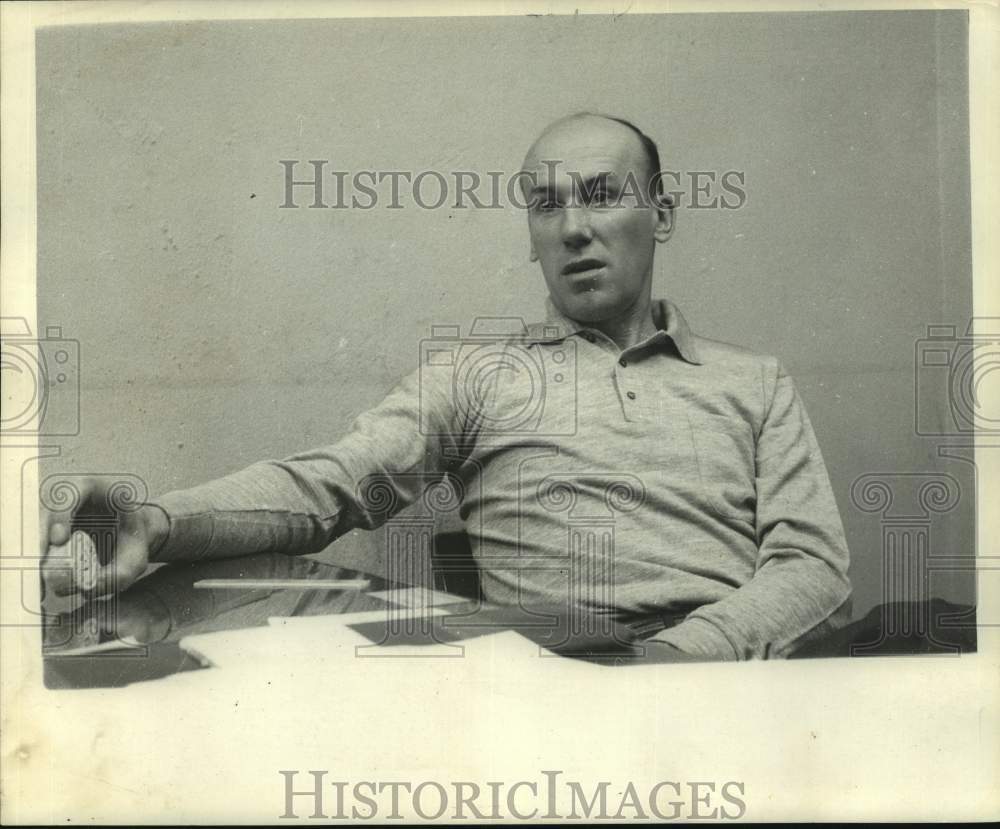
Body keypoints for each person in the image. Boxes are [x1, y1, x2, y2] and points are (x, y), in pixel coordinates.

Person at [40, 113, 852, 661]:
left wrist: (682, 656)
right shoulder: (476, 375)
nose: (573, 228)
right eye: (546, 206)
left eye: (603, 196)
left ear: (662, 214)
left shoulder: (754, 382)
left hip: (728, 680)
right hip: (554, 682)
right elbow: (326, 486)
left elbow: (812, 565)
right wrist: (158, 520)